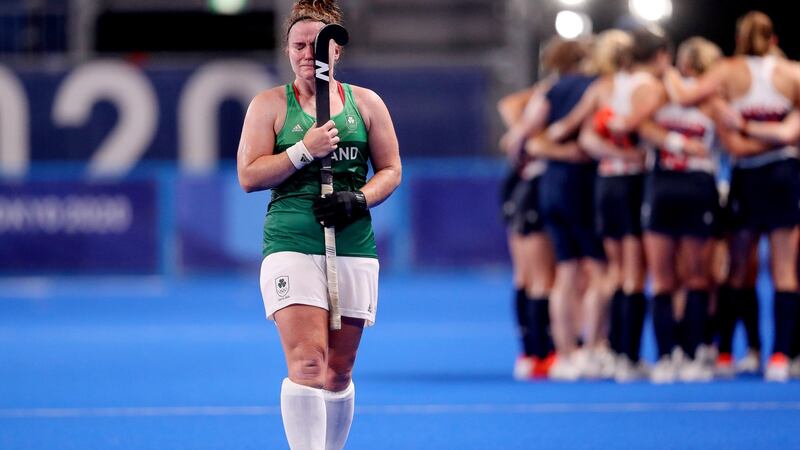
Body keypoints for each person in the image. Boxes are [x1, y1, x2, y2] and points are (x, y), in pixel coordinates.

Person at [237, 0, 402, 448]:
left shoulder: (365, 104)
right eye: (298, 45)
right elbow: (249, 175)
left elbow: (391, 170)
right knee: (308, 363)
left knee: (338, 371)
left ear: (337, 51)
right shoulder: (269, 105)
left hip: (352, 242)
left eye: (317, 45)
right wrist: (302, 151)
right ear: (287, 50)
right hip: (292, 238)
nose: (307, 54)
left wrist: (358, 199)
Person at [664, 11, 800, 382]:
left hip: (749, 179)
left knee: (739, 268)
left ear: (738, 39)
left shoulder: (727, 70)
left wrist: (667, 70)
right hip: (784, 174)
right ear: (774, 39)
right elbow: (790, 135)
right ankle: (780, 356)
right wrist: (775, 135)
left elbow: (686, 95)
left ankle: (731, 352)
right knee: (785, 271)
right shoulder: (793, 74)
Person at [526, 30, 632, 381]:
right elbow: (588, 135)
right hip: (582, 185)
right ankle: (591, 349)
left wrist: (555, 148)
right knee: (600, 271)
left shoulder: (551, 89)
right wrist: (574, 151)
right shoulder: (599, 87)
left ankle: (566, 356)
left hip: (551, 186)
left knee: (567, 273)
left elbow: (528, 135)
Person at [637, 37, 725, 382]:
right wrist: (675, 141)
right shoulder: (659, 94)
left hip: (690, 188)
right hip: (670, 185)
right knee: (678, 277)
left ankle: (684, 354)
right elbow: (637, 123)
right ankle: (671, 355)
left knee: (687, 277)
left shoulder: (710, 101)